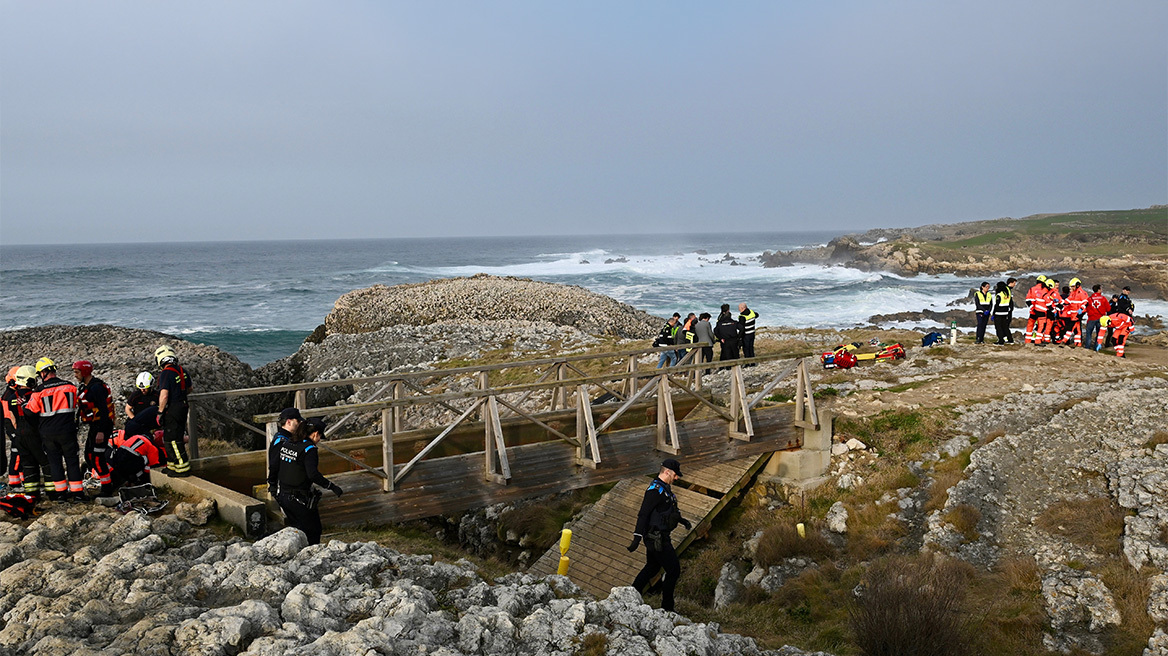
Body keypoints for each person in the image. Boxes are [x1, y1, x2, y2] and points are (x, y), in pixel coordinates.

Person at [627, 458, 691, 612]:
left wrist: (682, 521)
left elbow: (667, 511)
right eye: (675, 475)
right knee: (673, 569)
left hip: (658, 537)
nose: (676, 478)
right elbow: (643, 514)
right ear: (667, 472)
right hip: (657, 538)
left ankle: (630, 595)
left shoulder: (665, 488)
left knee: (652, 566)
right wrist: (636, 537)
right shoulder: (654, 491)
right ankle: (667, 608)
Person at [269, 415, 343, 545]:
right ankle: (310, 557)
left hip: (283, 496)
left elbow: (275, 466)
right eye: (320, 436)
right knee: (313, 530)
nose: (319, 440)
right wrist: (331, 486)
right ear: (315, 434)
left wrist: (273, 486)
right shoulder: (309, 449)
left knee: (297, 529)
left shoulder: (287, 443)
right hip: (299, 499)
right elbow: (313, 474)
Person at [25, 358, 85, 502]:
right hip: (68, 431)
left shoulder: (39, 391)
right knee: (72, 462)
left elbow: (30, 412)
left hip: (48, 433)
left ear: (44, 372)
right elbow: (78, 405)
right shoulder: (70, 386)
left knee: (55, 463)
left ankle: (61, 495)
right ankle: (78, 494)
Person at [7, 366, 50, 499]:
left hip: (19, 434)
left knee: (28, 465)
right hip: (34, 433)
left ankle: (32, 493)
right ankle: (53, 492)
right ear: (29, 381)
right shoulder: (33, 395)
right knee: (46, 462)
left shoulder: (10, 398)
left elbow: (13, 416)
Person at [74, 360, 116, 495]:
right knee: (89, 455)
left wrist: (101, 432)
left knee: (97, 458)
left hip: (101, 427)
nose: (75, 375)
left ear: (85, 372)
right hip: (94, 425)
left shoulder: (96, 388)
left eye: (77, 372)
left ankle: (107, 487)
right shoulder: (86, 386)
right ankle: (107, 478)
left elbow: (104, 411)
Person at [154, 346, 193, 477]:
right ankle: (172, 466)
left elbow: (164, 395)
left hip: (172, 409)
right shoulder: (182, 370)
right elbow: (189, 388)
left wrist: (160, 412)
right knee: (170, 437)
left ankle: (182, 468)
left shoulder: (165, 373)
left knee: (173, 439)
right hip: (183, 406)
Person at [1, 367, 20, 490]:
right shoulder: (9, 396)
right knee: (17, 453)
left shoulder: (8, 394)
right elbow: (10, 416)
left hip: (10, 425)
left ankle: (17, 479)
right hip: (12, 425)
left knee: (18, 453)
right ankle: (14, 481)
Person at [1062, 278, 1089, 347]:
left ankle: (1064, 341)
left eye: (1072, 286)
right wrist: (1059, 302)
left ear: (1077, 285)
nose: (1071, 288)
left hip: (1078, 313)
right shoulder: (1072, 293)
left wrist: (1081, 310)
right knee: (1077, 329)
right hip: (1073, 314)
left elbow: (1086, 303)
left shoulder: (1082, 293)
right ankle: (1078, 343)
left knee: (1070, 327)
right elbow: (1067, 301)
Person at [1024, 276, 1050, 345]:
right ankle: (1038, 341)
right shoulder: (1044, 290)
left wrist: (1032, 307)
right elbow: (1047, 301)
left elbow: (1027, 300)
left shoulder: (1032, 289)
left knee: (1030, 326)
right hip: (1041, 311)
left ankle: (1027, 341)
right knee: (1041, 326)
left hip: (1032, 311)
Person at [1083, 284, 1110, 349]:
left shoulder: (1089, 299)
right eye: (1101, 289)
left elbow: (1085, 307)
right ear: (1099, 290)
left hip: (1091, 318)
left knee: (1089, 334)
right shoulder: (1103, 298)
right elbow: (1108, 308)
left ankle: (1087, 348)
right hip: (1101, 318)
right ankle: (1096, 348)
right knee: (1099, 334)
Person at [991, 279, 1016, 345]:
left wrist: (993, 314)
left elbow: (997, 305)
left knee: (998, 328)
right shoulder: (1007, 295)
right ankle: (1010, 340)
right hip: (1005, 313)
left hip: (998, 313)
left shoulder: (999, 295)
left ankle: (1001, 341)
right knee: (1005, 327)